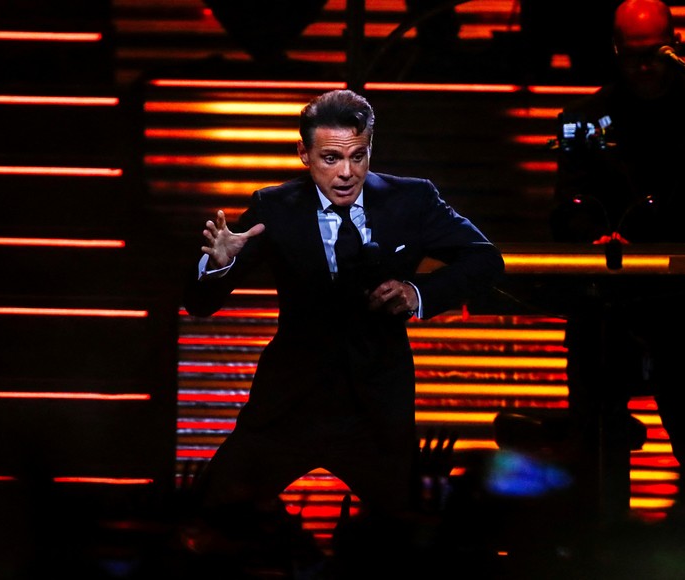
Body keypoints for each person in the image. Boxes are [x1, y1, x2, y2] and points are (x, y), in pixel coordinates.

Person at [181, 89, 505, 567]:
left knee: (416, 548)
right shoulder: (275, 207)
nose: (347, 173)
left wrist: (416, 292)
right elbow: (200, 303)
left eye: (358, 156)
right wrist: (219, 264)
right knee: (207, 520)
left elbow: (485, 260)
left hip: (376, 406)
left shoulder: (411, 199)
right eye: (331, 158)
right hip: (289, 404)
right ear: (304, 153)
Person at [549, 0, 685, 577]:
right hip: (611, 308)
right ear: (616, 51)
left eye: (654, 55)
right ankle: (603, 560)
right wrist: (594, 236)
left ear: (676, 47)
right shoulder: (587, 117)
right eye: (633, 56)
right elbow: (566, 206)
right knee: (600, 442)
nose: (644, 67)